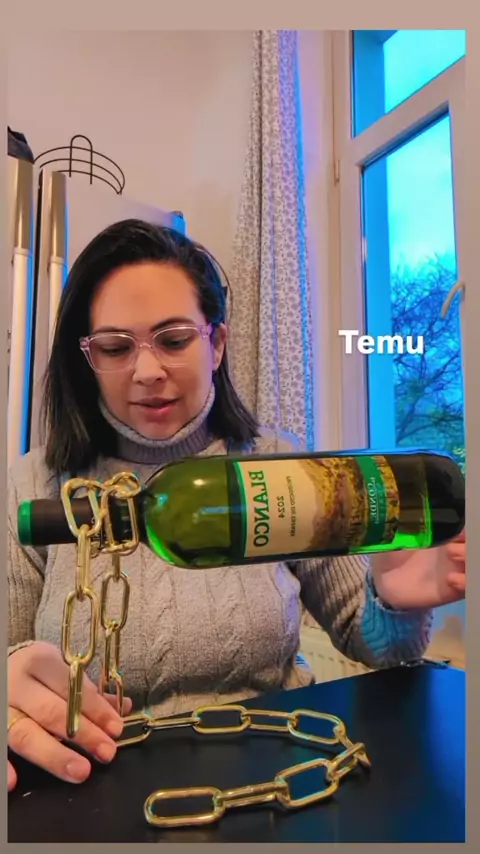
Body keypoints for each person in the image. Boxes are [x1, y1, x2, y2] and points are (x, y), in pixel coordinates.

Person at [7, 219, 466, 792]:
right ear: (88, 357)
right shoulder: (34, 483)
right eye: (116, 347)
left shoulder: (281, 464)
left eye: (174, 339)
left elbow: (376, 646)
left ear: (216, 343)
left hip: (282, 781)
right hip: (95, 791)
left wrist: (394, 603)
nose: (147, 371)